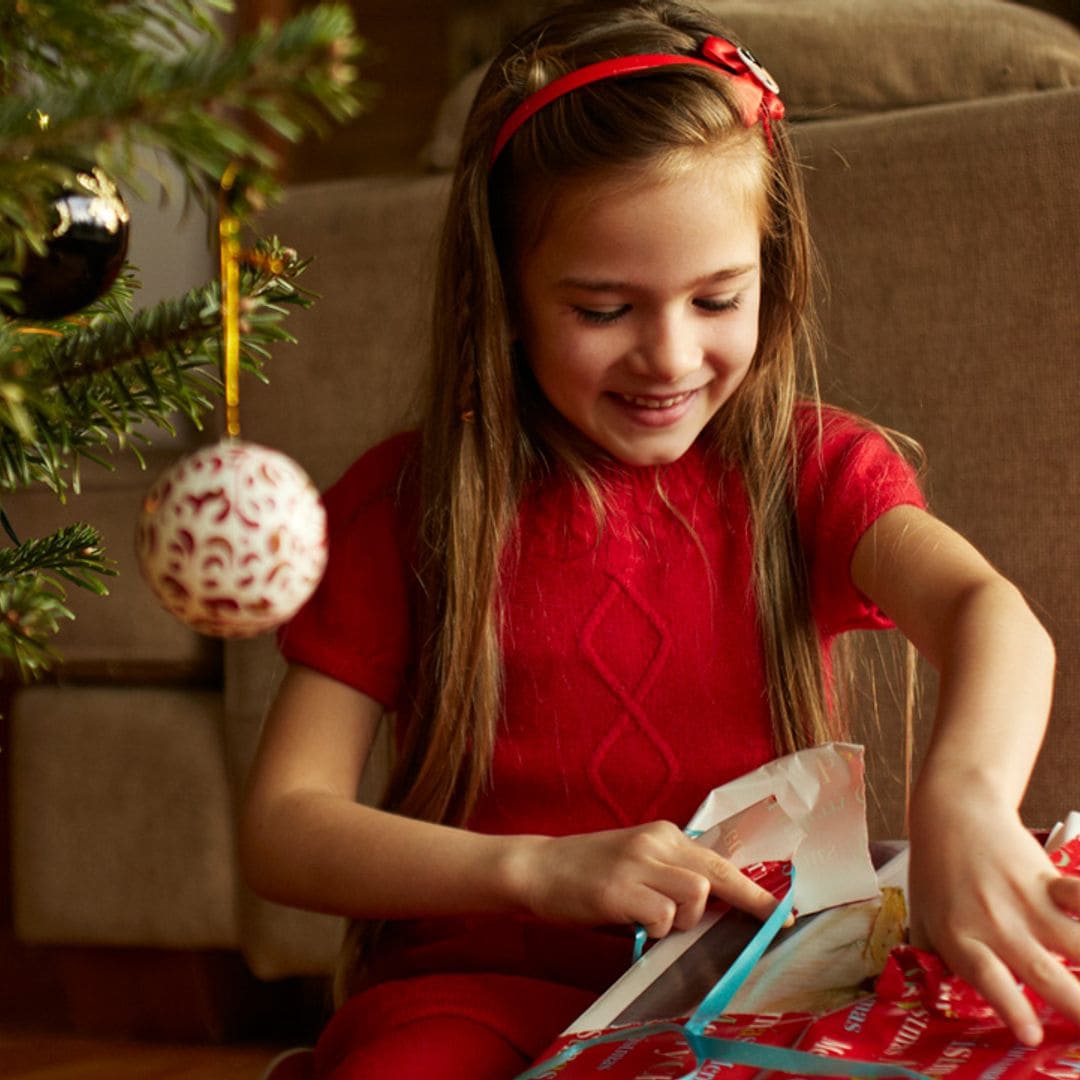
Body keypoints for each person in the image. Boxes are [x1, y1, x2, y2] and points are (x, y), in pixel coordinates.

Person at [239, 1, 1080, 1075]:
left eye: (717, 298)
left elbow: (987, 614)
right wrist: (538, 874)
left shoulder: (808, 470)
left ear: (769, 275)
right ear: (505, 294)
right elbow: (286, 822)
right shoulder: (405, 504)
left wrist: (964, 796)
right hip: (472, 991)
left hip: (757, 990)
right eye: (602, 310)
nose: (669, 356)